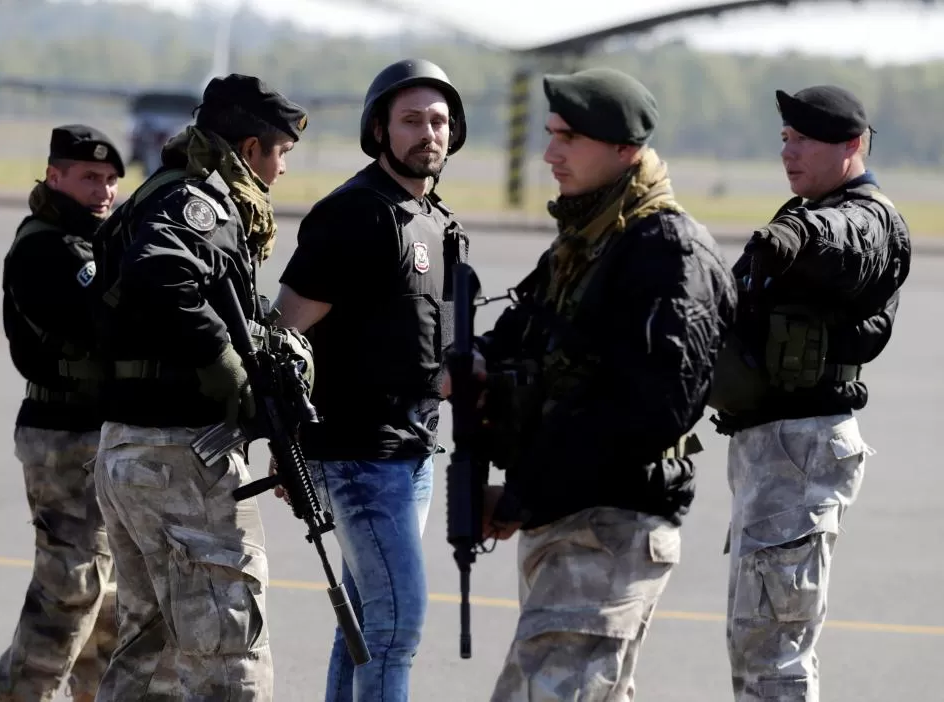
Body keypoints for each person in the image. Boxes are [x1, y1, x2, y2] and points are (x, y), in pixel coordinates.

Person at [442, 66, 738, 701]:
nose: (550, 153)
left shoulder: (667, 252)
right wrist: (475, 363)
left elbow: (652, 409)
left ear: (625, 150)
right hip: (570, 518)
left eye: (569, 138)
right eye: (550, 134)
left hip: (613, 523)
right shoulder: (588, 239)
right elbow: (531, 328)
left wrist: (523, 494)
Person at [90, 73, 310, 701]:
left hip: (131, 449)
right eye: (280, 153)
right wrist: (230, 370)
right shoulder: (199, 203)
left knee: (149, 656)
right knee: (227, 658)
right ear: (249, 150)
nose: (283, 170)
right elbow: (161, 274)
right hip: (182, 455)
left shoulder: (157, 194)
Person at [269, 58, 469, 702]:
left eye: (439, 121)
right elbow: (284, 335)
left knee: (363, 628)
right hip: (357, 453)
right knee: (395, 629)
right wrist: (287, 446)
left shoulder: (436, 221)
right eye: (411, 120)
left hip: (412, 451)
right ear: (378, 130)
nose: (428, 133)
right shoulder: (356, 213)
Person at [708, 85, 911, 701]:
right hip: (772, 449)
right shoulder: (802, 210)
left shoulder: (865, 217)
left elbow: (845, 239)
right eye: (785, 140)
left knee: (775, 650)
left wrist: (796, 239)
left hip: (801, 451)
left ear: (852, 145)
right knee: (759, 641)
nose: (788, 152)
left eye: (803, 140)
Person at [0, 124, 125, 702]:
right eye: (90, 177)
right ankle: (23, 693)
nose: (104, 191)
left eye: (112, 181)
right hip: (61, 435)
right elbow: (97, 323)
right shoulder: (47, 245)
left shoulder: (93, 239)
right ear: (56, 176)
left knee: (108, 600)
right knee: (71, 586)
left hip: (96, 433)